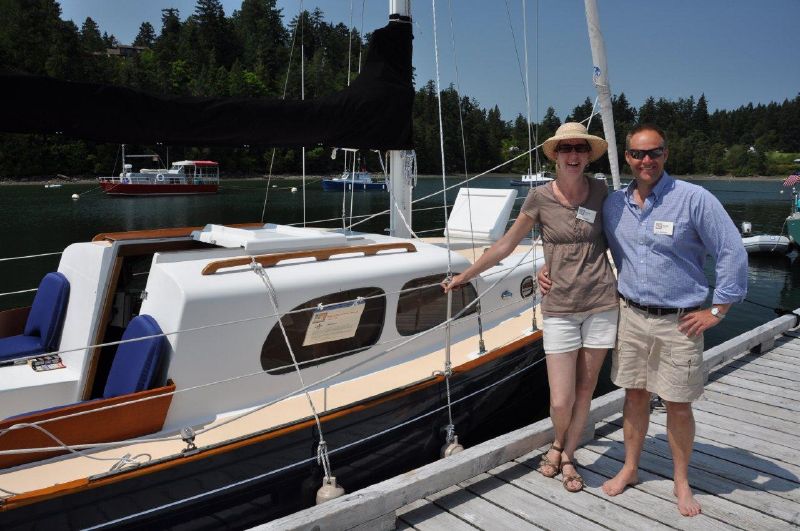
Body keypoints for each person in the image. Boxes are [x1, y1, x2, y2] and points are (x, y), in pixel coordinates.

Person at [539, 123, 747, 516]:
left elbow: (731, 251)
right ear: (628, 158)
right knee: (634, 396)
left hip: (681, 321)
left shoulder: (693, 199)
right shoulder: (615, 203)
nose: (646, 160)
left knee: (677, 403)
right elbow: (575, 239)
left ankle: (681, 482)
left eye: (654, 152)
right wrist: (545, 269)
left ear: (665, 154)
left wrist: (719, 309)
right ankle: (631, 468)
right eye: (638, 154)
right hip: (630, 315)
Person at [443, 122, 618, 493]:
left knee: (586, 390)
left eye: (580, 148)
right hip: (558, 307)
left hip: (602, 303)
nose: (573, 155)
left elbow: (625, 238)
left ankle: (567, 453)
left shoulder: (602, 192)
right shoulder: (539, 198)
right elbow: (506, 246)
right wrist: (465, 277)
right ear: (555, 155)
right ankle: (558, 440)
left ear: (588, 155)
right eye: (566, 149)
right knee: (561, 398)